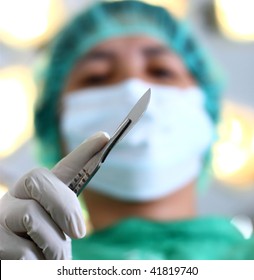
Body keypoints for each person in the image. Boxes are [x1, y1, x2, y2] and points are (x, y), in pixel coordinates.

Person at [1, 0, 254, 260]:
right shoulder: (33, 260)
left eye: (161, 71)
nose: (133, 86)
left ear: (207, 117)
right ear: (56, 133)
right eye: (96, 77)